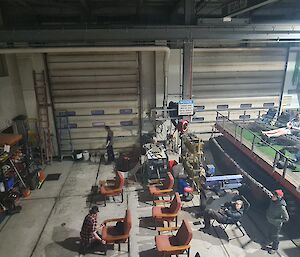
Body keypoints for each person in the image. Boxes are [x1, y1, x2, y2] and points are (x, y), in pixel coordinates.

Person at [264, 189, 289, 254]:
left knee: (275, 236)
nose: (272, 196)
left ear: (278, 198)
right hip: (270, 221)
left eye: (274, 196)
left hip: (276, 224)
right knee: (270, 233)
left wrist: (276, 220)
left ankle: (274, 248)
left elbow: (286, 218)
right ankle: (270, 242)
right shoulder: (273, 201)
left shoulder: (281, 207)